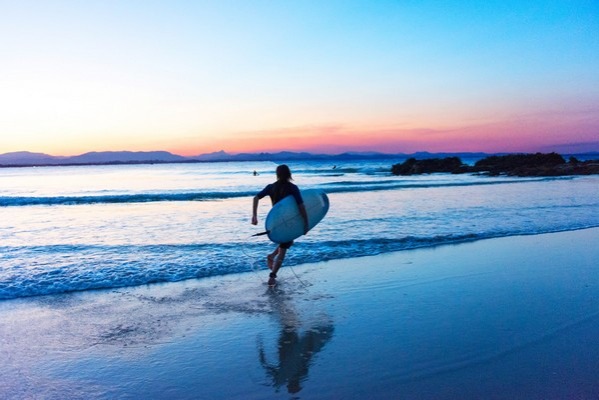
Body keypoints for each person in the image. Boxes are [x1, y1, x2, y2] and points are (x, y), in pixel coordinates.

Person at [252, 164, 309, 286]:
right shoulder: (293, 187)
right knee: (283, 251)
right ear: (289, 174)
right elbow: (301, 206)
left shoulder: (271, 187)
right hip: (288, 222)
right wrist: (306, 223)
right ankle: (272, 277)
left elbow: (256, 198)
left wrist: (254, 216)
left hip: (275, 221)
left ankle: (271, 256)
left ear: (277, 174)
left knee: (288, 243)